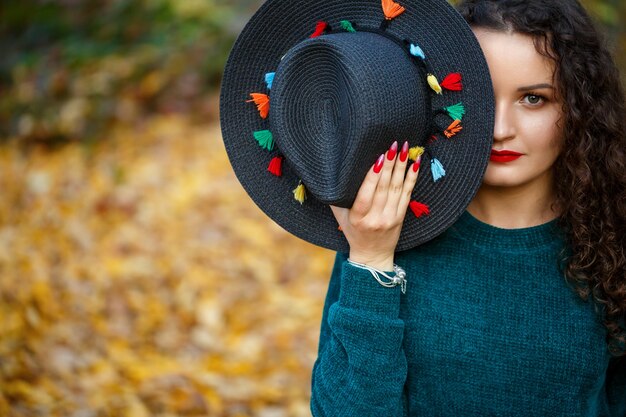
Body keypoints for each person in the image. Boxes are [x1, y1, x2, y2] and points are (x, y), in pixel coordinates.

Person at [311, 0, 626, 416]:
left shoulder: (611, 240)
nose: (500, 130)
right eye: (480, 96)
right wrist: (371, 261)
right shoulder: (385, 228)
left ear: (579, 108)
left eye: (533, 99)